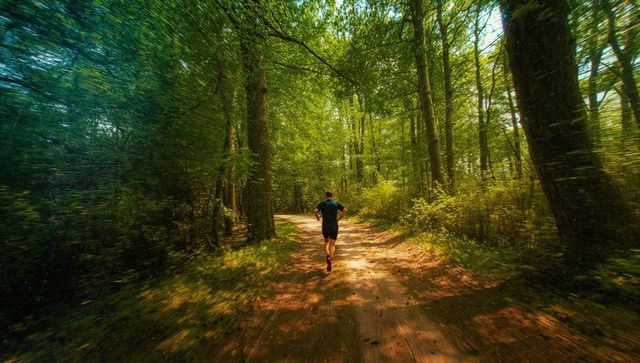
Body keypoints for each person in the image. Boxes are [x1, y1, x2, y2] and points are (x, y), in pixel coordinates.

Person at [314, 191, 347, 272]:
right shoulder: (336, 203)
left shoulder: (321, 204)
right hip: (334, 225)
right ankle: (330, 259)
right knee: (332, 244)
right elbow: (345, 210)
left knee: (326, 242)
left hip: (325, 225)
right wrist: (339, 218)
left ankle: (327, 255)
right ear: (332, 196)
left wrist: (318, 218)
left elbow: (315, 211)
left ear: (325, 196)